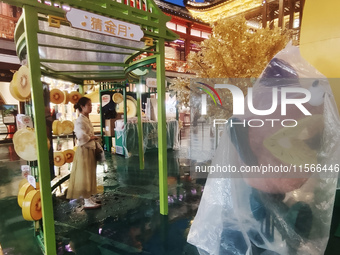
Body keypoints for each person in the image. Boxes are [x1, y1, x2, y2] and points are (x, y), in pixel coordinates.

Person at [66, 97, 101, 209]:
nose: (91, 107)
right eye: (89, 105)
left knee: (90, 173)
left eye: (91, 105)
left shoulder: (85, 119)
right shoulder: (80, 120)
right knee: (85, 174)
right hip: (84, 150)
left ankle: (89, 197)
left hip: (89, 149)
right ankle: (86, 200)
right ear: (82, 107)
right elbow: (81, 136)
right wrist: (92, 137)